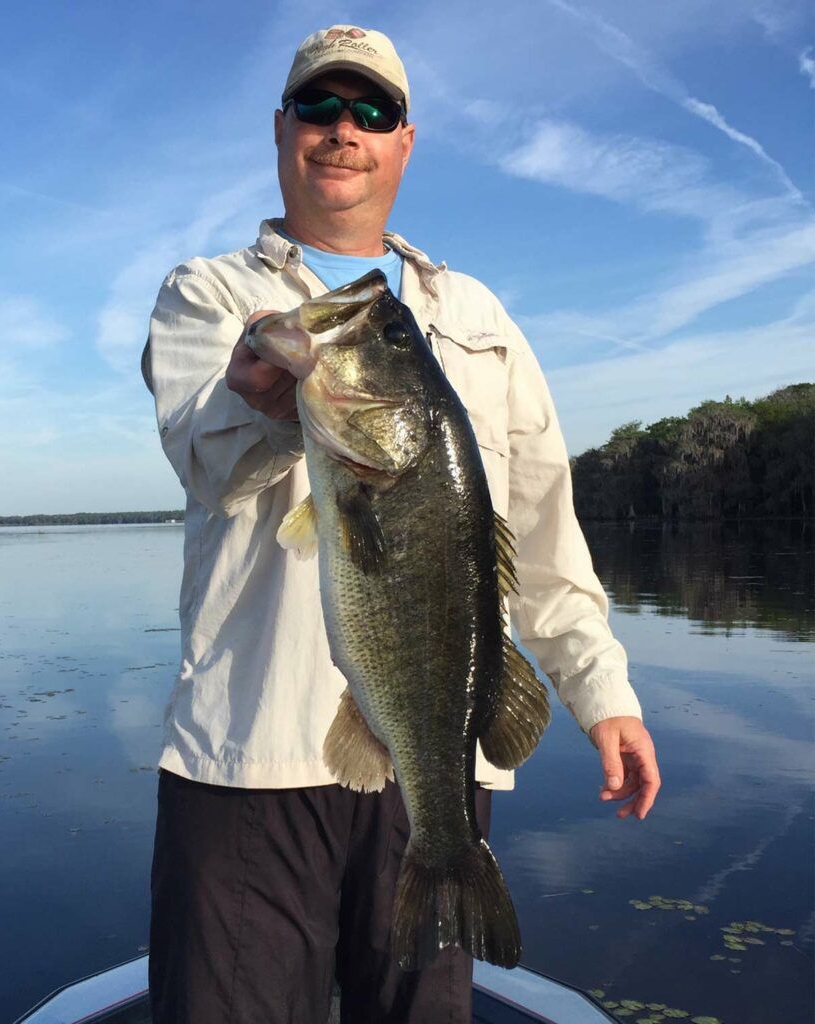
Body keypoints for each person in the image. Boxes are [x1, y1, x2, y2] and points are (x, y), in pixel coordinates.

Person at [142, 24, 661, 1024]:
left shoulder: (474, 314)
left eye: (371, 112)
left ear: (404, 142)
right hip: (246, 760)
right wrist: (258, 401)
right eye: (321, 108)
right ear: (283, 129)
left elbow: (543, 529)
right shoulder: (209, 295)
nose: (345, 130)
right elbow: (204, 461)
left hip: (434, 771)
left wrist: (604, 693)